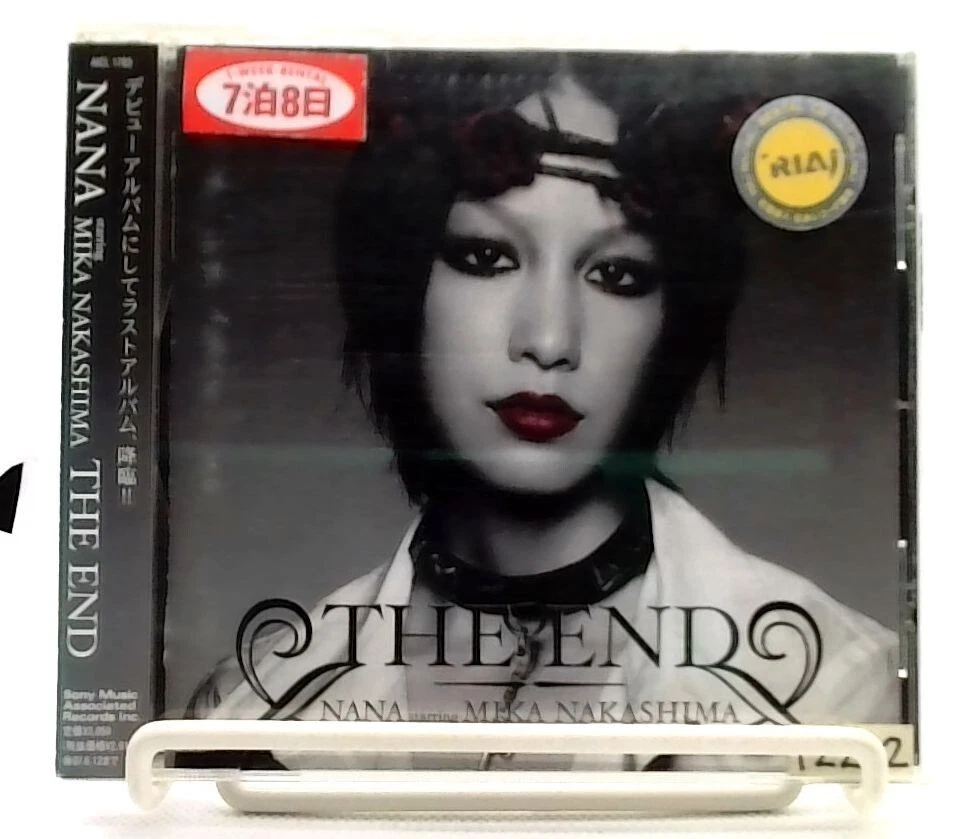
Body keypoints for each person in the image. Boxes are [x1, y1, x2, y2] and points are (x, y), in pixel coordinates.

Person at [185, 56, 899, 772]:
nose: (550, 340)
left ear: (673, 321)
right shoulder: (246, 713)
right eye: (486, 256)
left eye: (617, 274)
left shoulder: (837, 690)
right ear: (402, 284)